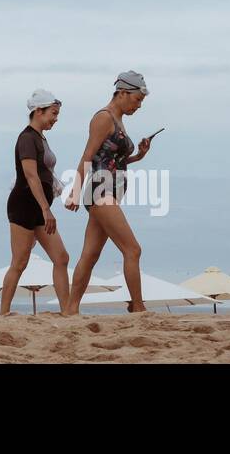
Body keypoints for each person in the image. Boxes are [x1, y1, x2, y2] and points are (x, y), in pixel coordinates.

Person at [65, 71, 156, 314]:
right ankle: (137, 306)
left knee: (90, 255)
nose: (138, 106)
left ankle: (71, 309)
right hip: (100, 191)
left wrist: (139, 155)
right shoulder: (104, 118)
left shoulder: (118, 120)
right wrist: (74, 191)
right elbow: (88, 156)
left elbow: (113, 160)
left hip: (108, 192)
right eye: (137, 100)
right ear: (123, 93)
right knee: (133, 249)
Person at [0, 89, 71, 315]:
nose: (56, 118)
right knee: (19, 263)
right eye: (53, 113)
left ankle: (67, 311)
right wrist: (46, 209)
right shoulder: (27, 138)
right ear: (38, 111)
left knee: (61, 257)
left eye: (57, 114)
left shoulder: (40, 137)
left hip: (40, 207)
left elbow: (45, 173)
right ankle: (3, 313)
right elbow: (31, 176)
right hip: (24, 206)